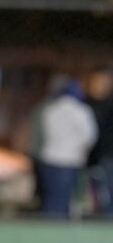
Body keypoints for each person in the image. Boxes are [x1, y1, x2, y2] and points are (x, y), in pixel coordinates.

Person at [34, 76, 98, 217]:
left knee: (50, 200)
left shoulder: (49, 110)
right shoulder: (81, 111)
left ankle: (47, 232)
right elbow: (89, 136)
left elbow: (43, 135)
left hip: (49, 159)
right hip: (70, 161)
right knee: (65, 201)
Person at [84, 64, 113, 215]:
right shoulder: (86, 103)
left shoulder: (108, 105)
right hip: (94, 155)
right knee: (98, 193)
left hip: (107, 155)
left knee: (107, 193)